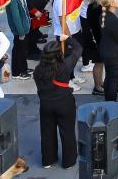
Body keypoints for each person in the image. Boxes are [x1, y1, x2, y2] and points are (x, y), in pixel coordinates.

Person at [34, 37, 83, 170]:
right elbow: (78, 48)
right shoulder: (65, 66)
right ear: (58, 54)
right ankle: (69, 161)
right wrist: (68, 39)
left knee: (47, 132)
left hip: (45, 105)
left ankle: (48, 160)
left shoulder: (37, 71)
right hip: (64, 104)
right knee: (67, 132)